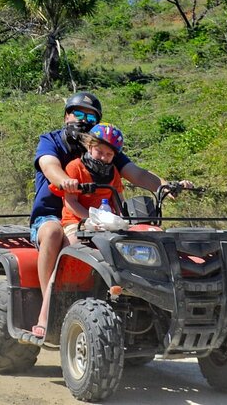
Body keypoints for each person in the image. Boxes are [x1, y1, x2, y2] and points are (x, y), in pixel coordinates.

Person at [29, 91, 192, 338]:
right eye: (78, 114)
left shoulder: (105, 148)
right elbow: (49, 166)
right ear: (66, 116)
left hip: (95, 218)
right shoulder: (51, 141)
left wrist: (164, 185)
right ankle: (47, 309)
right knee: (52, 233)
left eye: (90, 116)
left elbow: (136, 174)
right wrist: (66, 182)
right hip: (55, 215)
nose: (83, 120)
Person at [61, 122, 125, 245]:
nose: (103, 157)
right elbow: (70, 202)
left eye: (109, 154)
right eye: (99, 152)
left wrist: (124, 219)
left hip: (105, 223)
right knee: (76, 243)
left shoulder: (114, 172)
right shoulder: (75, 167)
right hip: (76, 221)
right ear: (89, 147)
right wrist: (91, 220)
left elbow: (119, 201)